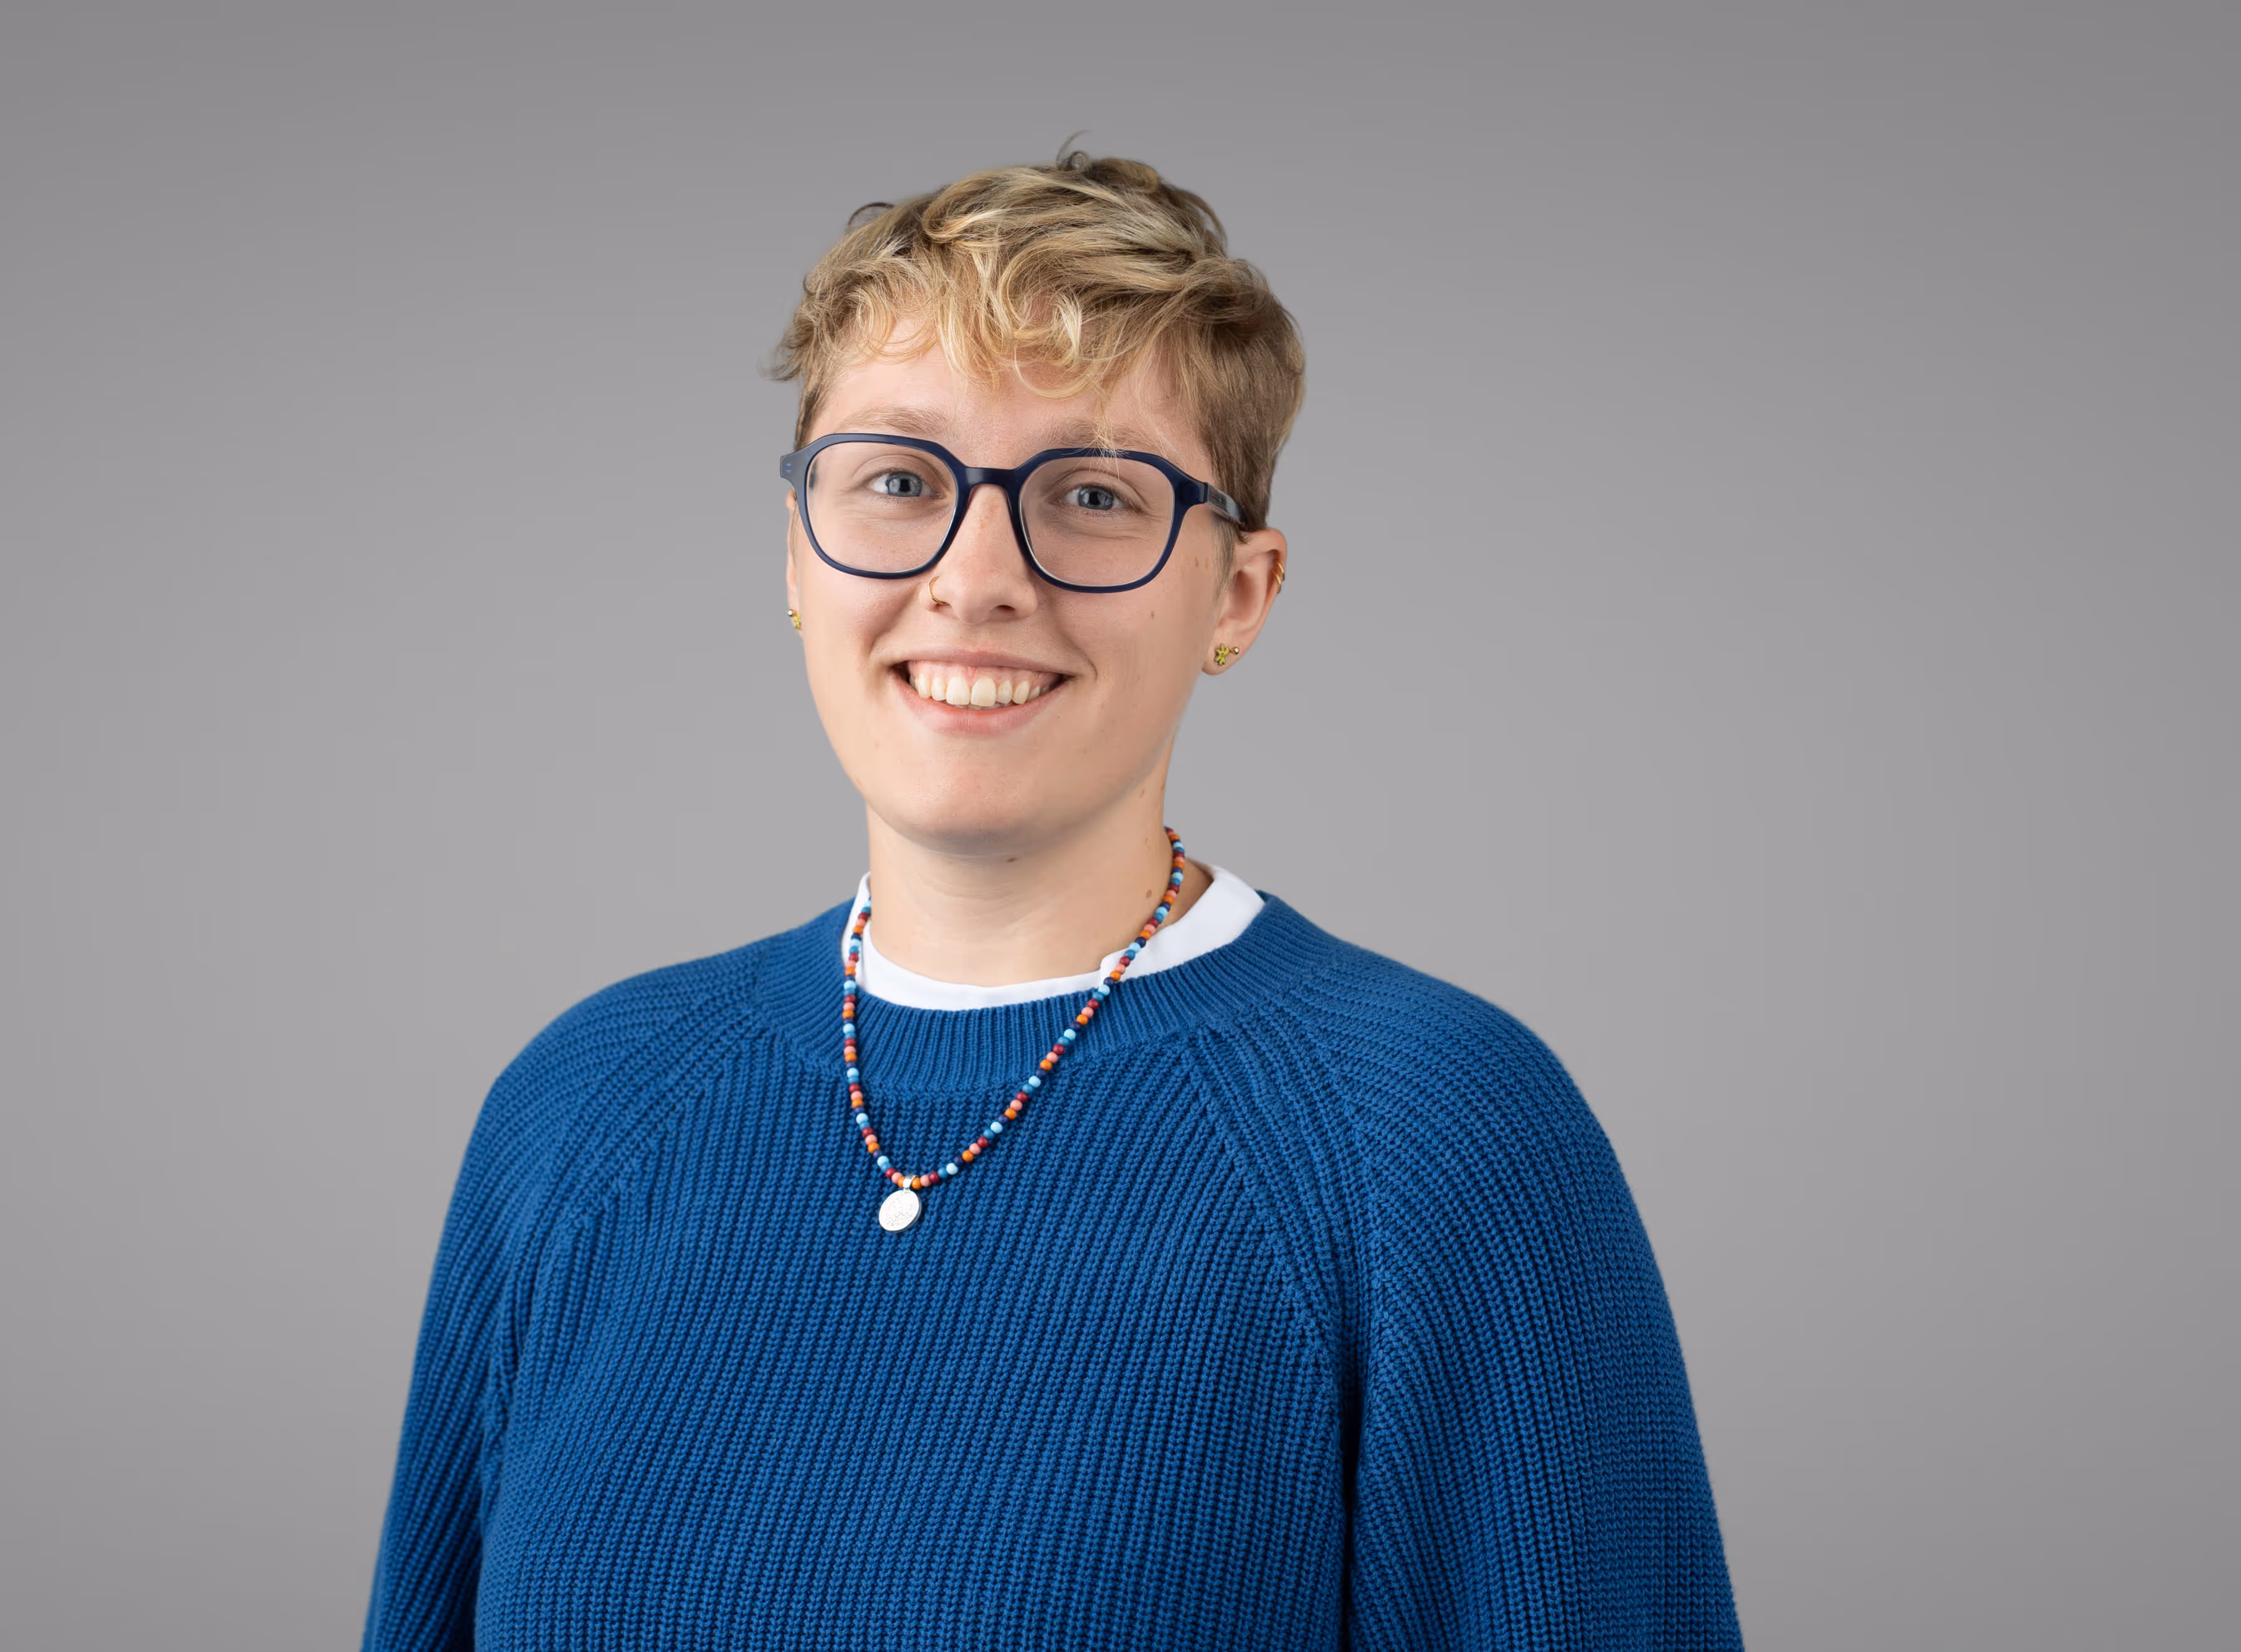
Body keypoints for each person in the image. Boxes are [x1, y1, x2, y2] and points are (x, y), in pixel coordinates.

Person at [361, 149, 1742, 1651]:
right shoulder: (582, 1109)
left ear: (1239, 593)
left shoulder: (1428, 1136)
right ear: (794, 558)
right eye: (897, 480)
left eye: (1091, 494)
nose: (976, 576)